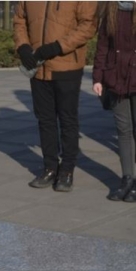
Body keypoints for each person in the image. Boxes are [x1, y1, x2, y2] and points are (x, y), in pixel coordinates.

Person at [13, 1, 98, 192]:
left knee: (67, 120)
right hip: (38, 67)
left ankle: (67, 170)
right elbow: (19, 19)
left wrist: (57, 47)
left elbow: (88, 25)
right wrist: (23, 47)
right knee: (45, 120)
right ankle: (50, 167)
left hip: (66, 65)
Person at [93, 2, 136, 202]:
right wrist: (98, 78)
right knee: (123, 130)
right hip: (116, 78)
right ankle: (127, 179)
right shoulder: (110, 10)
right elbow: (102, 46)